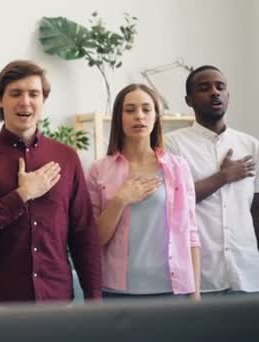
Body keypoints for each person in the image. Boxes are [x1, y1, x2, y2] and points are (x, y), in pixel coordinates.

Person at [0, 60, 101, 304]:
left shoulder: (67, 157)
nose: (25, 101)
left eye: (34, 94)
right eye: (15, 93)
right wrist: (21, 195)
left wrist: (94, 297)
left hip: (56, 300)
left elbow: (83, 232)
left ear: (43, 100)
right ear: (0, 100)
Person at [86, 84, 201, 300]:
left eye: (146, 109)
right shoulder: (98, 170)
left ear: (156, 116)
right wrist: (120, 200)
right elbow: (93, 240)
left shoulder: (178, 167)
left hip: (171, 289)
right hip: (116, 291)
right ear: (119, 117)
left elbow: (191, 234)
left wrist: (195, 296)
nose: (139, 116)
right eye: (130, 110)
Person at [166, 65, 259, 294]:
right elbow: (172, 203)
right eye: (204, 88)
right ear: (189, 100)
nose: (215, 92)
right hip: (200, 277)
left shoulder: (250, 145)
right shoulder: (172, 144)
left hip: (247, 272)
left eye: (220, 87)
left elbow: (256, 208)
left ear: (228, 95)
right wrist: (223, 177)